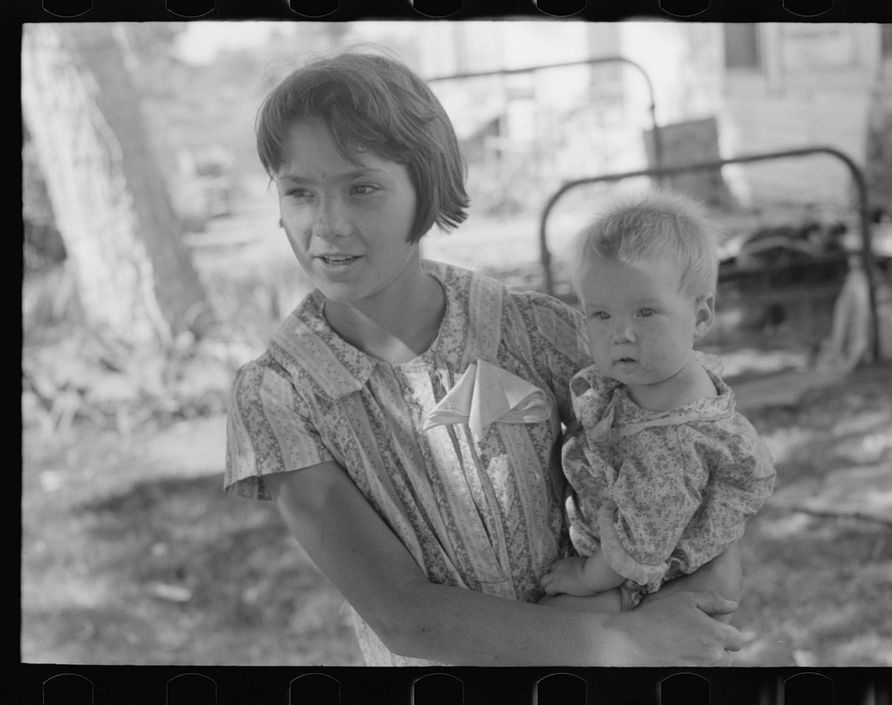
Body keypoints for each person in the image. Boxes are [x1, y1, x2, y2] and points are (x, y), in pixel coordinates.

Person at [224, 47, 746, 666]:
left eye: (362, 188)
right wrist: (620, 640)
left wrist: (693, 605)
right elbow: (405, 617)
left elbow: (689, 453)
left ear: (426, 189)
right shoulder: (279, 395)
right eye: (299, 192)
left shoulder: (529, 331)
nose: (328, 224)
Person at [538, 192, 776, 614]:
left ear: (701, 317)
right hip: (636, 552)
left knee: (548, 629)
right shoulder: (660, 377)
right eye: (601, 315)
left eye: (645, 312)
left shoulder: (672, 441)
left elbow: (643, 542)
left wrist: (585, 577)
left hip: (648, 582)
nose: (621, 333)